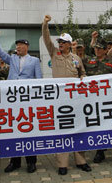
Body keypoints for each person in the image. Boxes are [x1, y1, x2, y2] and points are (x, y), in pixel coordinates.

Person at [42, 15, 90, 175]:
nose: (60, 45)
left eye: (63, 43)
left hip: (76, 98)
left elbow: (82, 73)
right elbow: (47, 39)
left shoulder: (76, 58)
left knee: (78, 127)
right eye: (59, 43)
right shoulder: (54, 53)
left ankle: (81, 161)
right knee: (62, 129)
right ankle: (62, 164)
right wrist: (45, 24)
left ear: (69, 44)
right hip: (60, 99)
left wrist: (83, 77)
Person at [0, 29, 42, 173]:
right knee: (13, 130)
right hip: (12, 99)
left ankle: (31, 162)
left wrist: (37, 99)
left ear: (26, 47)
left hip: (28, 100)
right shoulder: (12, 58)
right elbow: (1, 53)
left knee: (29, 130)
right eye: (17, 45)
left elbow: (38, 80)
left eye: (20, 45)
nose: (18, 47)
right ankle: (14, 162)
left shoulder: (34, 60)